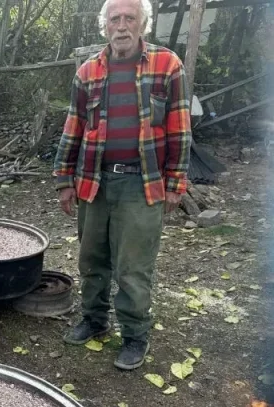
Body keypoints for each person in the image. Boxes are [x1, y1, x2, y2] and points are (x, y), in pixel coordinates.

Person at [54, 0, 191, 370]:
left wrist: (176, 181)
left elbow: (180, 128)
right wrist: (65, 180)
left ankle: (134, 335)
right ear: (105, 26)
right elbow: (73, 128)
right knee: (92, 258)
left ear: (143, 24)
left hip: (141, 182)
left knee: (133, 266)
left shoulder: (167, 65)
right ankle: (94, 321)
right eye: (115, 18)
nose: (122, 26)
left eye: (130, 18)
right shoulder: (87, 72)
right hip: (94, 181)